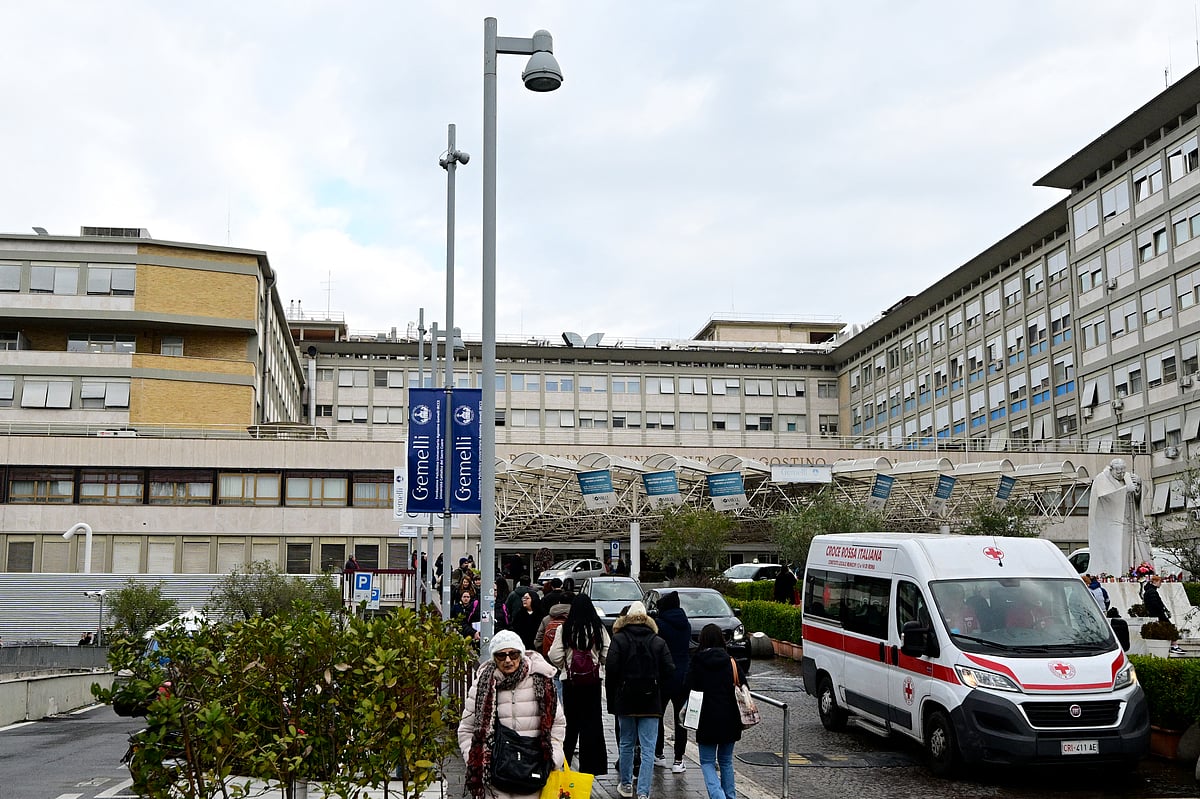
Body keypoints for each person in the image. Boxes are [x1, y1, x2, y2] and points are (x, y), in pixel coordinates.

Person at [458, 630, 566, 799]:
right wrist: (476, 761)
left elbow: (557, 724)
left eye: (513, 654)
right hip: (495, 776)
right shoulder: (482, 685)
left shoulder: (542, 681)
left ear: (521, 654)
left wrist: (554, 758)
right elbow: (466, 729)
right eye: (501, 656)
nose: (508, 660)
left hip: (533, 773)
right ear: (494, 658)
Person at [606, 600, 674, 799]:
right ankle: (643, 792)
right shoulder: (657, 641)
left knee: (626, 743)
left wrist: (616, 691)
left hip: (625, 701)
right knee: (648, 747)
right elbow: (670, 669)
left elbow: (610, 668)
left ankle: (626, 785)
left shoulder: (619, 639)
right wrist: (656, 684)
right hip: (651, 701)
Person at [548, 593, 610, 775]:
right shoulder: (598, 628)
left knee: (570, 722)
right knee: (592, 723)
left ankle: (563, 762)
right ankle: (591, 766)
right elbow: (608, 651)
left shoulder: (565, 628)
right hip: (592, 681)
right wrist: (598, 662)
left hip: (571, 681)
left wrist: (564, 666)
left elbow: (554, 655)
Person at [684, 623, 745, 799]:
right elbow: (743, 685)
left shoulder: (697, 661)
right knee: (726, 761)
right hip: (730, 719)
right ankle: (730, 796)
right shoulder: (730, 661)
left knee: (707, 762)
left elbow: (687, 686)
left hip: (706, 719)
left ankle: (718, 796)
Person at [653, 591, 691, 774]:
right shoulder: (686, 625)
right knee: (680, 719)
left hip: (663, 675)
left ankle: (659, 753)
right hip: (683, 676)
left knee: (657, 715)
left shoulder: (659, 625)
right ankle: (679, 759)